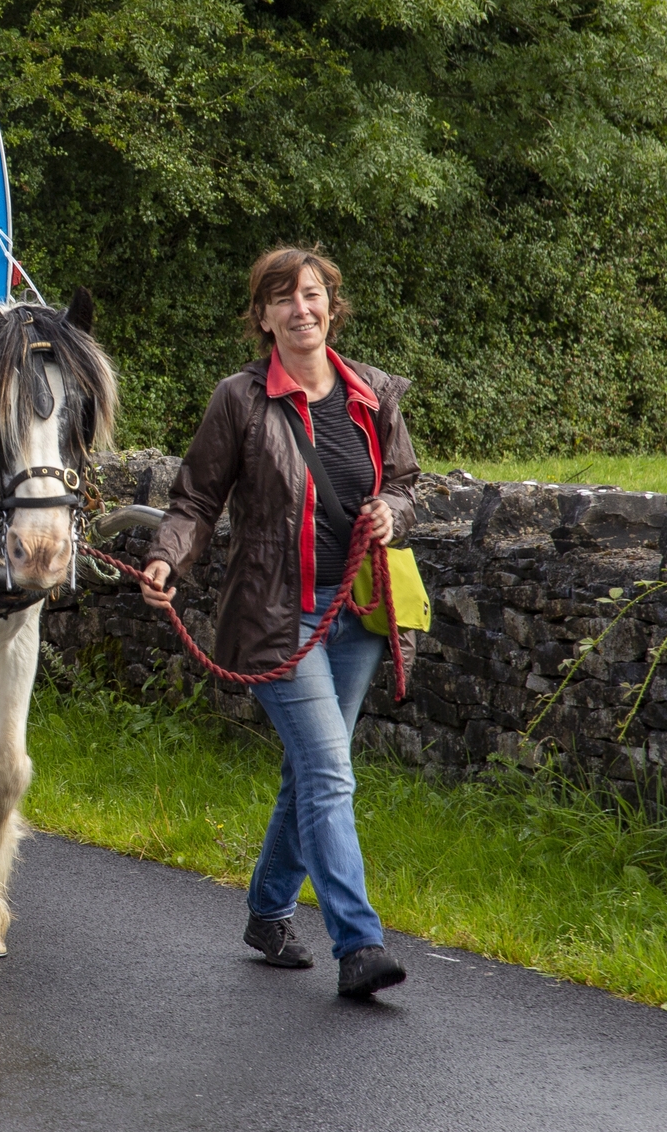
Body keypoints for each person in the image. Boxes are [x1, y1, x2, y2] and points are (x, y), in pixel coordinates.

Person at [138, 245, 419, 999]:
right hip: (274, 617)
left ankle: (267, 910)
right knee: (330, 772)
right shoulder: (238, 400)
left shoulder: (374, 393)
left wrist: (391, 509)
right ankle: (358, 943)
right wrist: (167, 557)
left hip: (356, 613)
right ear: (262, 317)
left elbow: (405, 482)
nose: (303, 307)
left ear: (333, 305)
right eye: (285, 297)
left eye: (315, 293)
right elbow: (195, 500)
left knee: (307, 773)